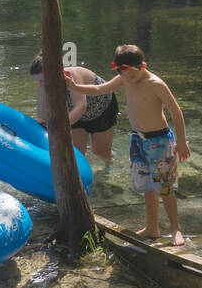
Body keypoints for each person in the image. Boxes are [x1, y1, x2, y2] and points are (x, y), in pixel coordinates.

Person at [65, 44, 190, 245]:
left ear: (143, 65)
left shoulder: (156, 84)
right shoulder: (124, 78)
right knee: (147, 186)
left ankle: (176, 229)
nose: (130, 78)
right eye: (125, 73)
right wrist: (74, 86)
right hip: (138, 140)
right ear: (119, 69)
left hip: (160, 140)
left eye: (134, 73)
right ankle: (152, 227)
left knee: (165, 187)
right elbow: (98, 89)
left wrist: (182, 142)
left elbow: (176, 112)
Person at [30, 53, 117, 165]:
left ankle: (108, 169)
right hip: (74, 114)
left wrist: (58, 128)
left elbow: (81, 106)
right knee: (77, 153)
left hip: (101, 108)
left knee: (100, 152)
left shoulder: (72, 75)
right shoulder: (42, 85)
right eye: (38, 81)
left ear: (56, 72)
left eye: (43, 80)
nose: (41, 84)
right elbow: (41, 116)